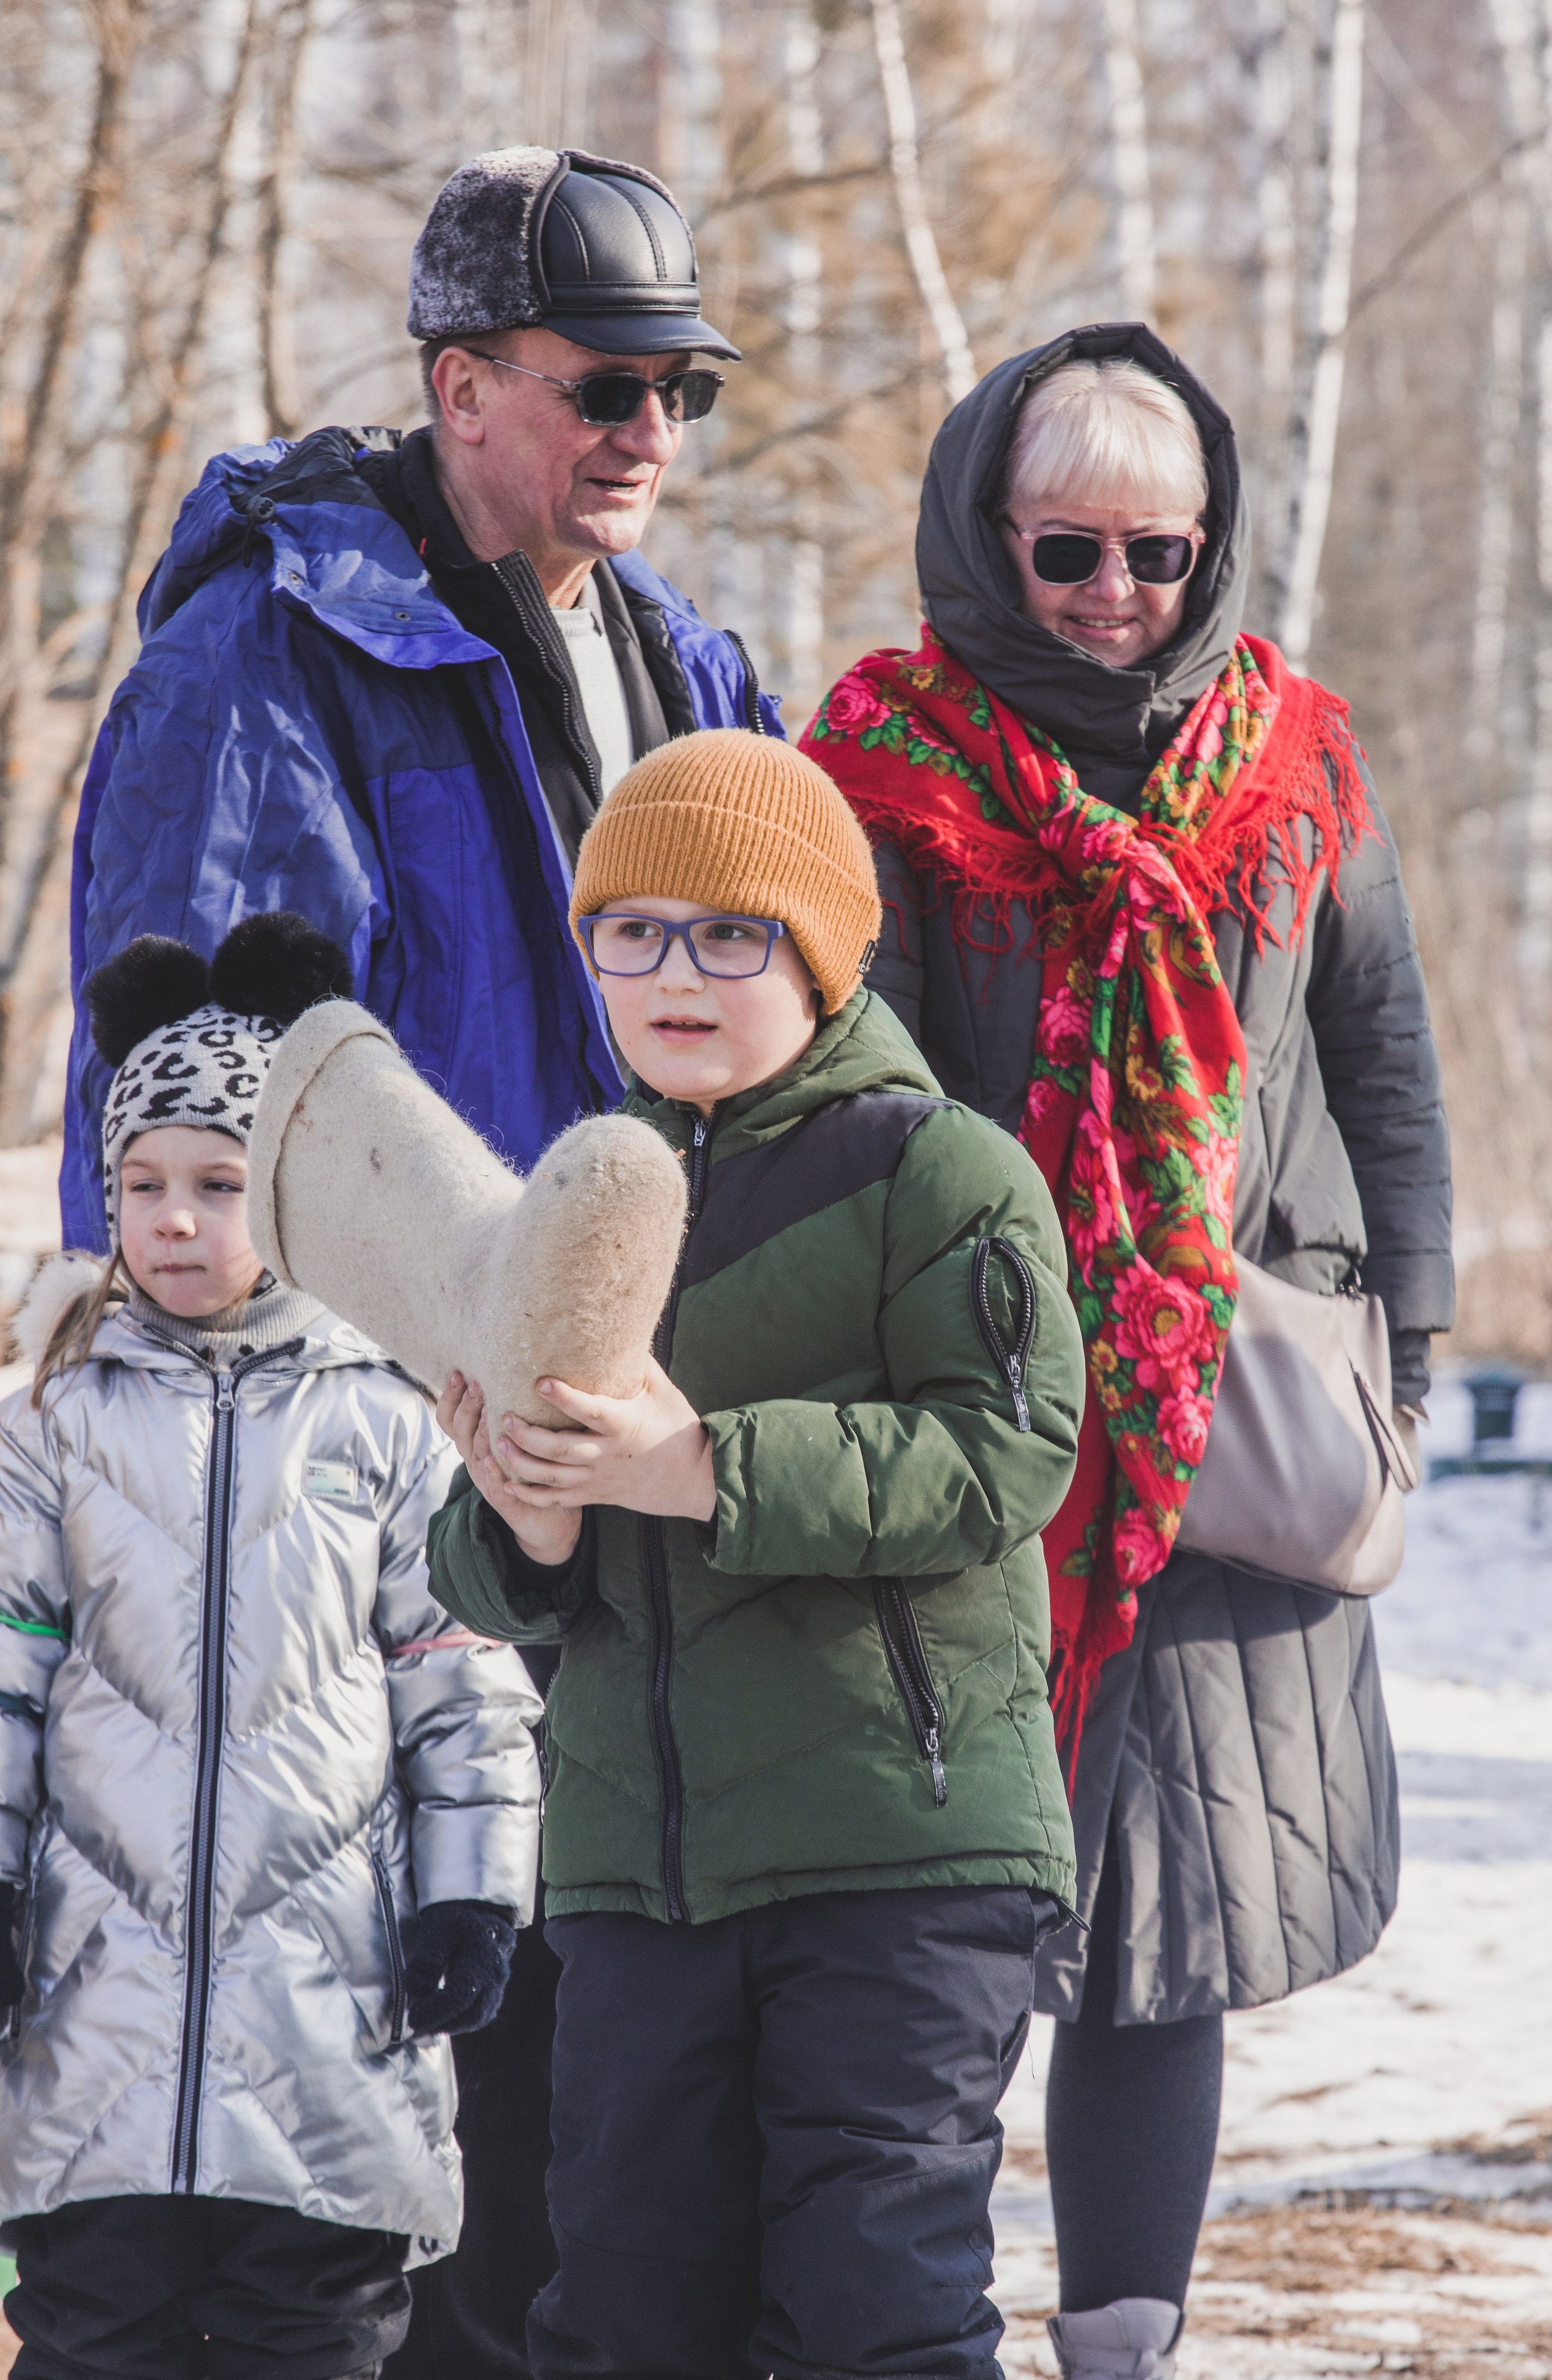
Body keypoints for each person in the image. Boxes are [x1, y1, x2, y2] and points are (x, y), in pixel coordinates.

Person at [59, 145, 781, 2377]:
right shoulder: (268, 647)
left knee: (617, 2112)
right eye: (606, 384)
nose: (651, 430)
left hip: (635, 1467)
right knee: (418, 2117)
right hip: (378, 1510)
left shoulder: (688, 657)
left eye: (685, 389)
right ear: (464, 384)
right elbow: (193, 1099)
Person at [803, 324, 1454, 2380]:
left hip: (1222, 1436)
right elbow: (853, 1102)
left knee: (1161, 1943)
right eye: (1066, 548)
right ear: (989, 534)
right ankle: (901, 2334)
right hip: (974, 1435)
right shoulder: (885, 766)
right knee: (926, 1935)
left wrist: (1396, 1349)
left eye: (1156, 554)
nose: (1113, 597)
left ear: (1211, 546)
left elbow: (1390, 1074)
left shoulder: (1294, 762)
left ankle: (1119, 2350)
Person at [417, 728, 1086, 2380]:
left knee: (879, 2311)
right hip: (638, 1877)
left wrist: (698, 1464)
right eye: (627, 931)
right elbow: (501, 1580)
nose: (673, 971)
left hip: (897, 1852)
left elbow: (1010, 1450)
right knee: (628, 2316)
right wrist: (525, 1508)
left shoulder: (936, 1168)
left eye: (728, 931)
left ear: (820, 944)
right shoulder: (574, 1200)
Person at [0, 912, 541, 2380]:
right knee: (94, 2338)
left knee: (310, 2345)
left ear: (293, 1193)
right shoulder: (53, 1421)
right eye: (146, 1184)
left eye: (221, 1185)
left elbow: (462, 1680)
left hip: (330, 2031)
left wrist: (471, 1903)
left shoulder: (383, 1413)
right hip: (96, 2033)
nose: (177, 1219)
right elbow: (5, 1681)